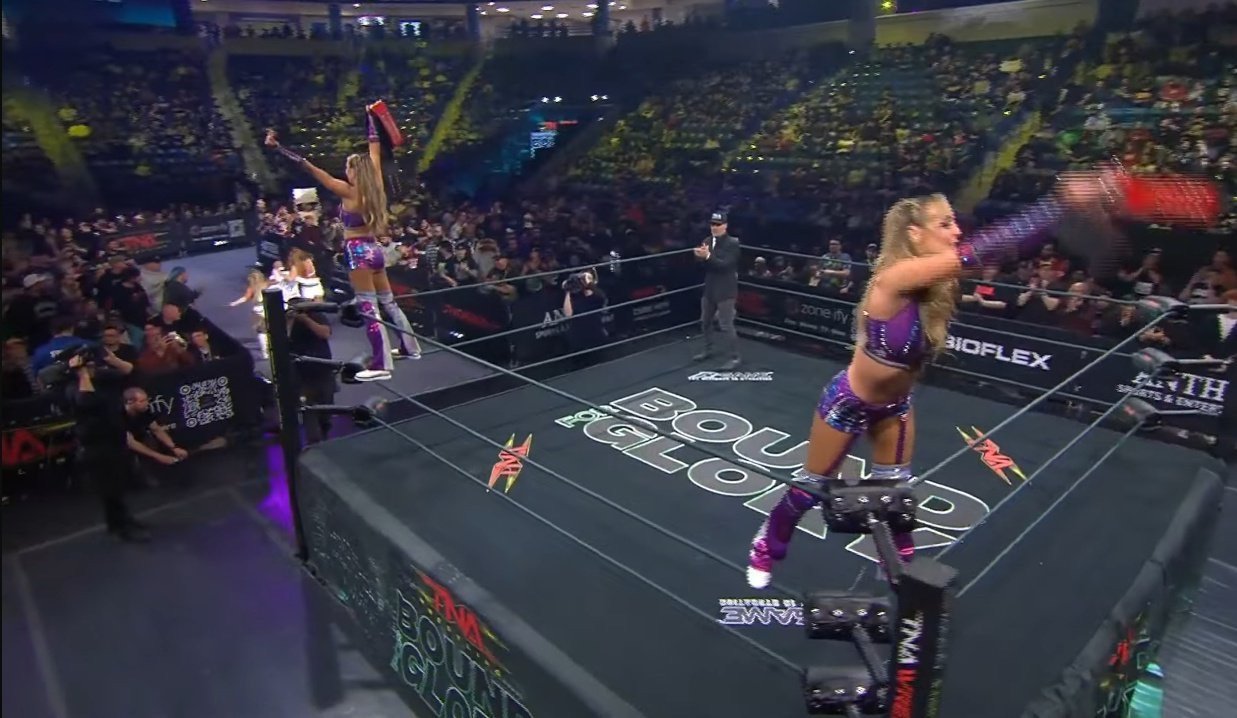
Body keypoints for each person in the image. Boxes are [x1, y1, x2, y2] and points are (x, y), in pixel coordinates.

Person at [745, 171, 1122, 589]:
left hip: (895, 407)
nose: (956, 231)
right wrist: (1058, 205)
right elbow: (984, 248)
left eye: (955, 222)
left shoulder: (935, 286)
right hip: (849, 401)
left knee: (897, 494)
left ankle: (900, 567)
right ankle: (767, 545)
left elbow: (1000, 251)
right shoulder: (895, 277)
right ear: (914, 234)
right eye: (945, 223)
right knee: (809, 489)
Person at [264, 101, 420, 381]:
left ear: (354, 172)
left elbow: (309, 167)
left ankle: (381, 365)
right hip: (375, 250)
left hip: (358, 252)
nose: (345, 171)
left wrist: (279, 148)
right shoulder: (376, 183)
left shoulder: (348, 191)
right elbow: (374, 145)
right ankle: (411, 347)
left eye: (348, 167)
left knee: (369, 308)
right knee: (389, 303)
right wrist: (371, 116)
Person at [71, 355, 150, 542]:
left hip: (114, 439)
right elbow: (86, 401)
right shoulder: (74, 388)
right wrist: (82, 374)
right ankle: (121, 527)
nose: (93, 369)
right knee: (110, 487)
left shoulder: (103, 381)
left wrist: (110, 358)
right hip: (97, 444)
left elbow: (129, 371)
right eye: (88, 367)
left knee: (118, 484)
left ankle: (121, 520)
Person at [694, 210, 741, 370]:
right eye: (712, 224)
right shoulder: (707, 241)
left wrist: (708, 257)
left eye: (718, 224)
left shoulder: (733, 243)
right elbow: (704, 266)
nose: (714, 227)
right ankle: (708, 349)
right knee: (705, 321)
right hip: (710, 287)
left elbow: (725, 265)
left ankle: (735, 357)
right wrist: (699, 257)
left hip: (726, 289)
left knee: (726, 324)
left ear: (725, 226)